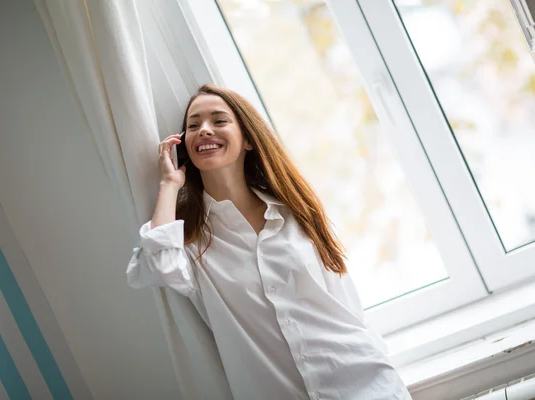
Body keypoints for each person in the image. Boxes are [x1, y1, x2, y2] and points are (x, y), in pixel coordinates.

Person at [127, 84, 411, 400]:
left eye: (219, 121)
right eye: (193, 126)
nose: (204, 131)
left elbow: (347, 306)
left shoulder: (297, 213)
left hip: (366, 386)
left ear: (248, 138)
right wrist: (168, 183)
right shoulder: (193, 239)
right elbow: (156, 267)